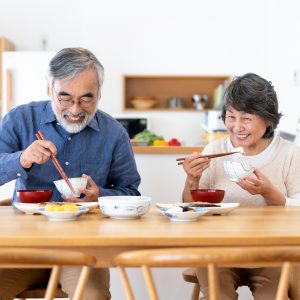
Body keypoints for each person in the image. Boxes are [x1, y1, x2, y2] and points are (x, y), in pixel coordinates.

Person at [0, 47, 141, 299]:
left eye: (87, 99)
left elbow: (130, 192)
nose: (75, 110)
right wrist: (21, 159)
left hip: (82, 249)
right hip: (22, 246)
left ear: (99, 94)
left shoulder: (114, 133)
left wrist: (100, 196)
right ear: (49, 89)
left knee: (92, 296)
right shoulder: (19, 120)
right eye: (64, 97)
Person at [182, 73, 300, 299]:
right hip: (217, 251)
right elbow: (190, 208)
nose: (237, 127)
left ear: (268, 119)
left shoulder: (290, 155)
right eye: (231, 117)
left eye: (246, 118)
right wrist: (191, 180)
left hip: (271, 254)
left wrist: (269, 193)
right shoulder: (213, 151)